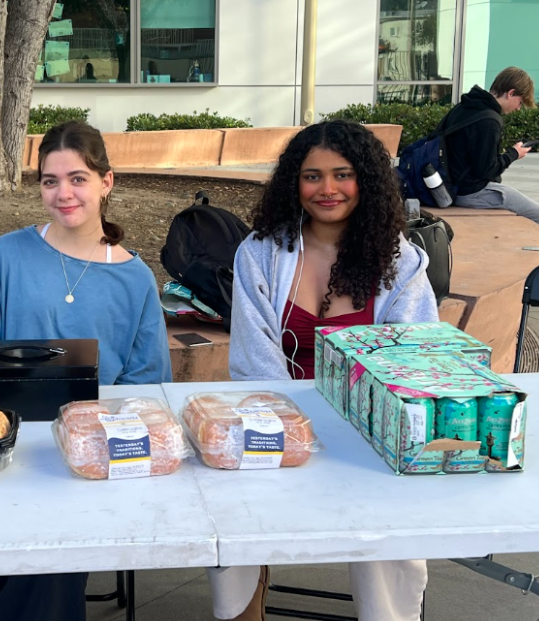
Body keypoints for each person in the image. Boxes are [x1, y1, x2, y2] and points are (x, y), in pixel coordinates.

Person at [213, 119, 438, 621]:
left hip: (372, 427)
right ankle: (243, 612)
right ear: (294, 182)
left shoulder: (401, 263)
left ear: (367, 181)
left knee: (392, 517)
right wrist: (293, 431)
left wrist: (347, 429)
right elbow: (253, 361)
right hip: (278, 419)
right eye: (312, 176)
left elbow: (408, 363)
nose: (327, 189)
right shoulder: (260, 253)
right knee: (237, 500)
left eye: (343, 174)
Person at [0, 120, 172, 621]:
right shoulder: (5, 255)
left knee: (55, 548)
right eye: (50, 181)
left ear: (106, 183)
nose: (63, 193)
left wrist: (91, 443)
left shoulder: (135, 279)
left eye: (78, 178)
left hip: (89, 452)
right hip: (2, 440)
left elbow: (147, 387)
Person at [443, 66, 539, 230]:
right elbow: (485, 170)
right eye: (520, 102)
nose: (518, 108)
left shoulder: (464, 107)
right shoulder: (490, 121)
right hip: (469, 192)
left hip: (447, 185)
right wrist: (514, 154)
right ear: (511, 93)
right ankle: (528, 255)